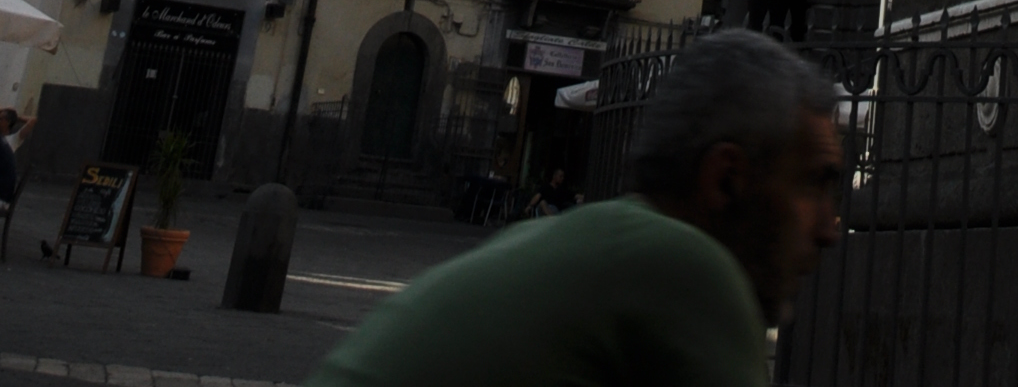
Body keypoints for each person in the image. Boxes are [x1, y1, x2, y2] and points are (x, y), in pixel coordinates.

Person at [303, 30, 843, 387]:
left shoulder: (574, 242)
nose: (829, 228)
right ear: (726, 178)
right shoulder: (688, 270)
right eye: (814, 184)